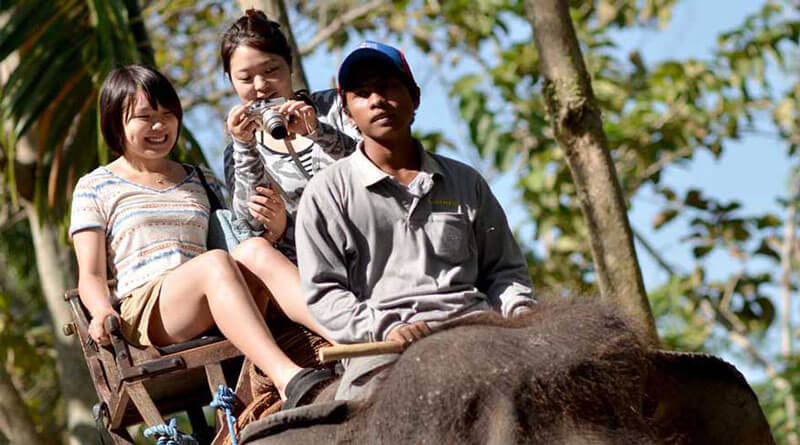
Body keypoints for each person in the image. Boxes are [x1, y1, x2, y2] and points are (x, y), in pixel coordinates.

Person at [70, 64, 331, 408]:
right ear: (116, 121)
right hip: (150, 308)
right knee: (215, 265)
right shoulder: (96, 185)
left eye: (168, 114)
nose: (160, 126)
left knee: (253, 249)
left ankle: (347, 334)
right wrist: (102, 311)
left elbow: (231, 237)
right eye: (145, 117)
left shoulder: (200, 177)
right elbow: (89, 275)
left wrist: (274, 228)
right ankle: (288, 378)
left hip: (221, 289)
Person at [295, 41, 535, 399]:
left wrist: (521, 313)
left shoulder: (466, 181)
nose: (378, 99)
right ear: (347, 112)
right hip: (381, 354)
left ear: (415, 98)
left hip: (477, 336)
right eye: (362, 93)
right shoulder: (327, 192)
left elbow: (504, 272)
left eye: (390, 86)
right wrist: (386, 329)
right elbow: (324, 293)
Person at [220, 9, 360, 263]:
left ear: (290, 65)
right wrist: (245, 146)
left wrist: (318, 132)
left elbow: (374, 162)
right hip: (309, 270)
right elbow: (248, 226)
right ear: (231, 82)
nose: (261, 85)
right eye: (245, 78)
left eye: (271, 70)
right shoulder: (237, 150)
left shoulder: (334, 106)